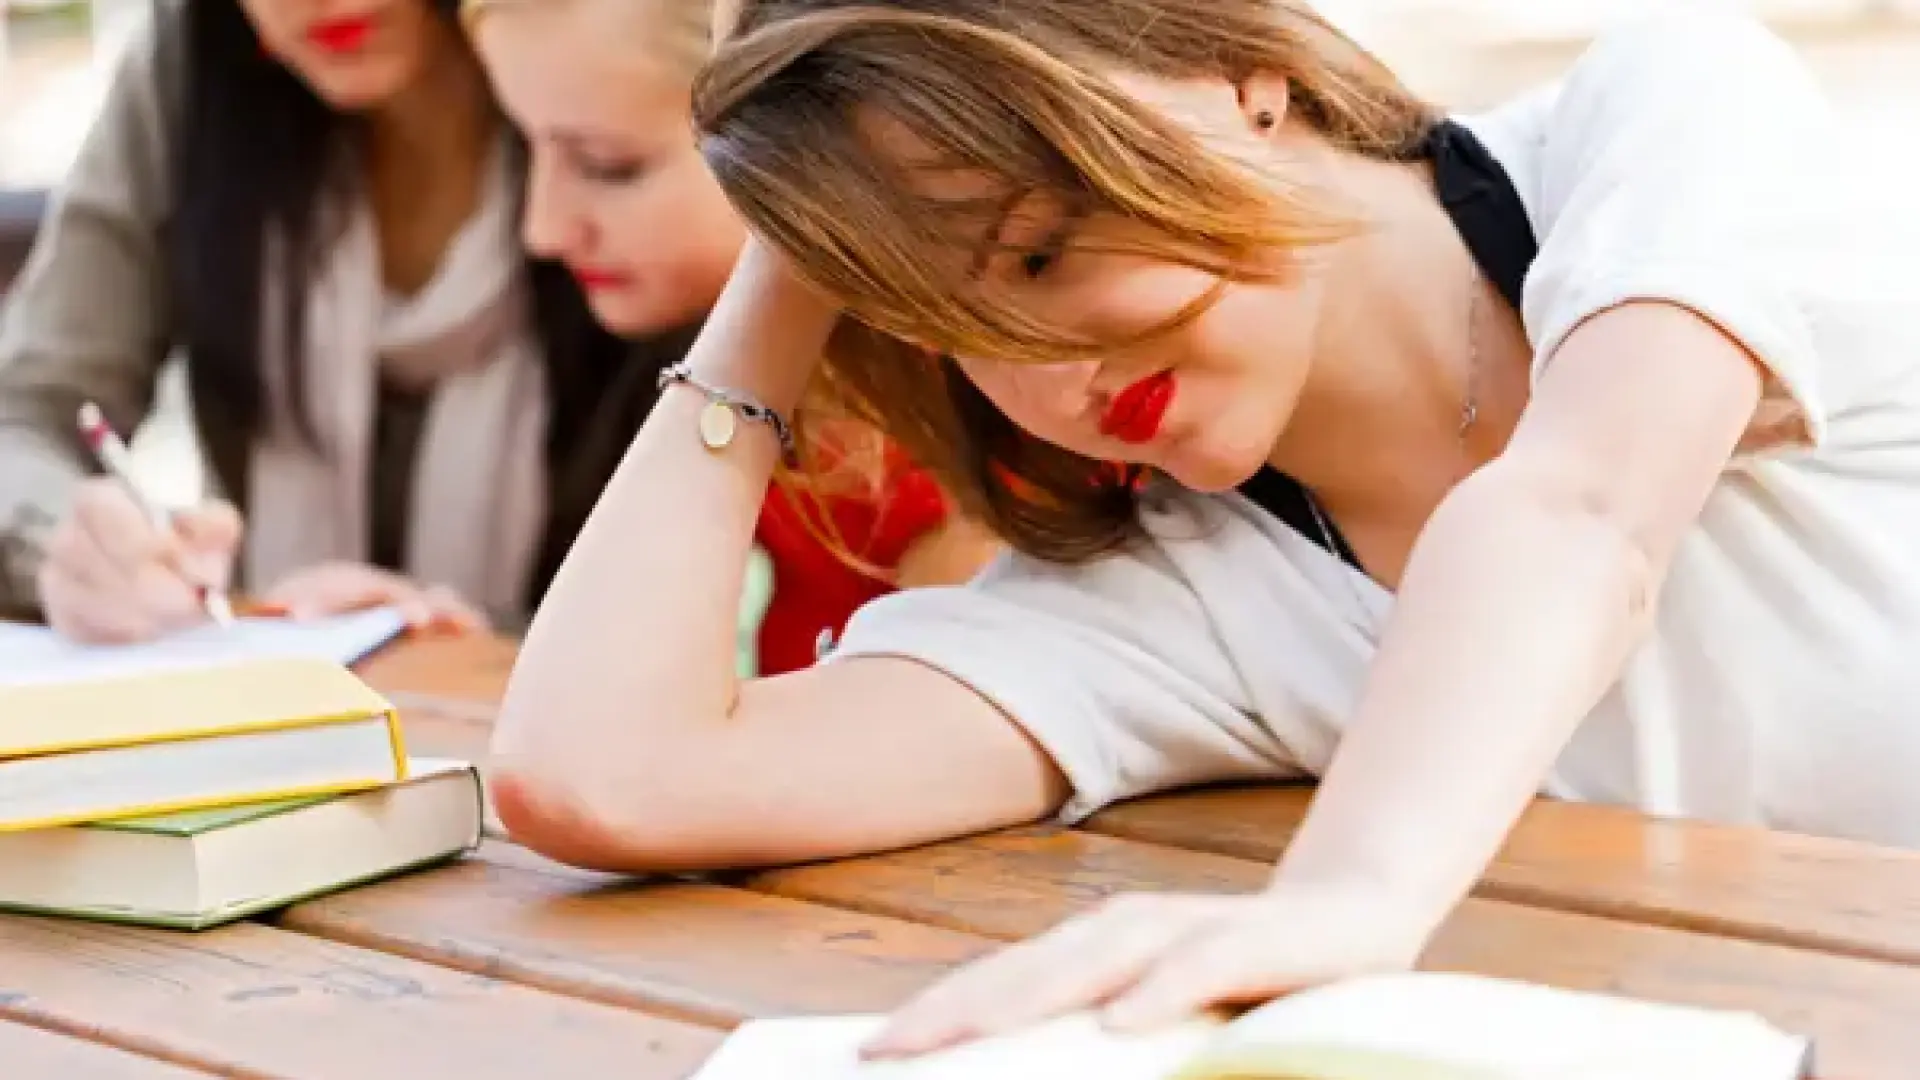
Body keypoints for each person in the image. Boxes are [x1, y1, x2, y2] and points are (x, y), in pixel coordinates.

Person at [478, 0, 1920, 1055]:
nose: (1055, 377)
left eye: (1042, 250)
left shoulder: (1662, 128)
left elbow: (1584, 513)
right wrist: (800, 257)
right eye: (959, 323)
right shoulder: (1186, 592)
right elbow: (606, 779)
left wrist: (1344, 900)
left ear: (1245, 75)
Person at [0, 0, 650, 640]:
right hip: (271, 680)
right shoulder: (193, 65)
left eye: (604, 166)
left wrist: (475, 645)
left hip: (566, 692)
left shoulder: (621, 50)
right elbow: (27, 412)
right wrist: (74, 549)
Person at [462, 0, 996, 675]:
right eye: (526, 150)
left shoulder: (947, 443)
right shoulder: (749, 378)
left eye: (607, 165)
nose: (543, 229)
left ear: (808, 144)